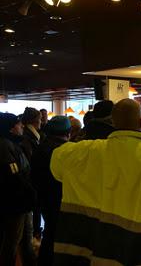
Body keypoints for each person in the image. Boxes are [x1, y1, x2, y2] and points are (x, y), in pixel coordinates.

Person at [50, 99, 141, 265]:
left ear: (113, 122)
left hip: (89, 254)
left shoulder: (81, 152)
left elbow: (56, 165)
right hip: (138, 254)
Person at [31, 116, 71, 266]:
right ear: (68, 132)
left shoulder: (40, 148)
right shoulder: (64, 151)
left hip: (43, 198)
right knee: (56, 235)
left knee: (49, 233)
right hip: (59, 199)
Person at [0, 113, 36, 266]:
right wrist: (30, 192)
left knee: (25, 237)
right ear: (10, 128)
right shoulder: (4, 146)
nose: (21, 126)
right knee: (12, 241)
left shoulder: (13, 143)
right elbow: (14, 177)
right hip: (16, 203)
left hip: (22, 201)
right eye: (18, 124)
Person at [21, 107, 43, 240]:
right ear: (35, 121)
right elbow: (30, 161)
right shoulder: (29, 138)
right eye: (40, 119)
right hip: (32, 182)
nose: (41, 122)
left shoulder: (31, 136)